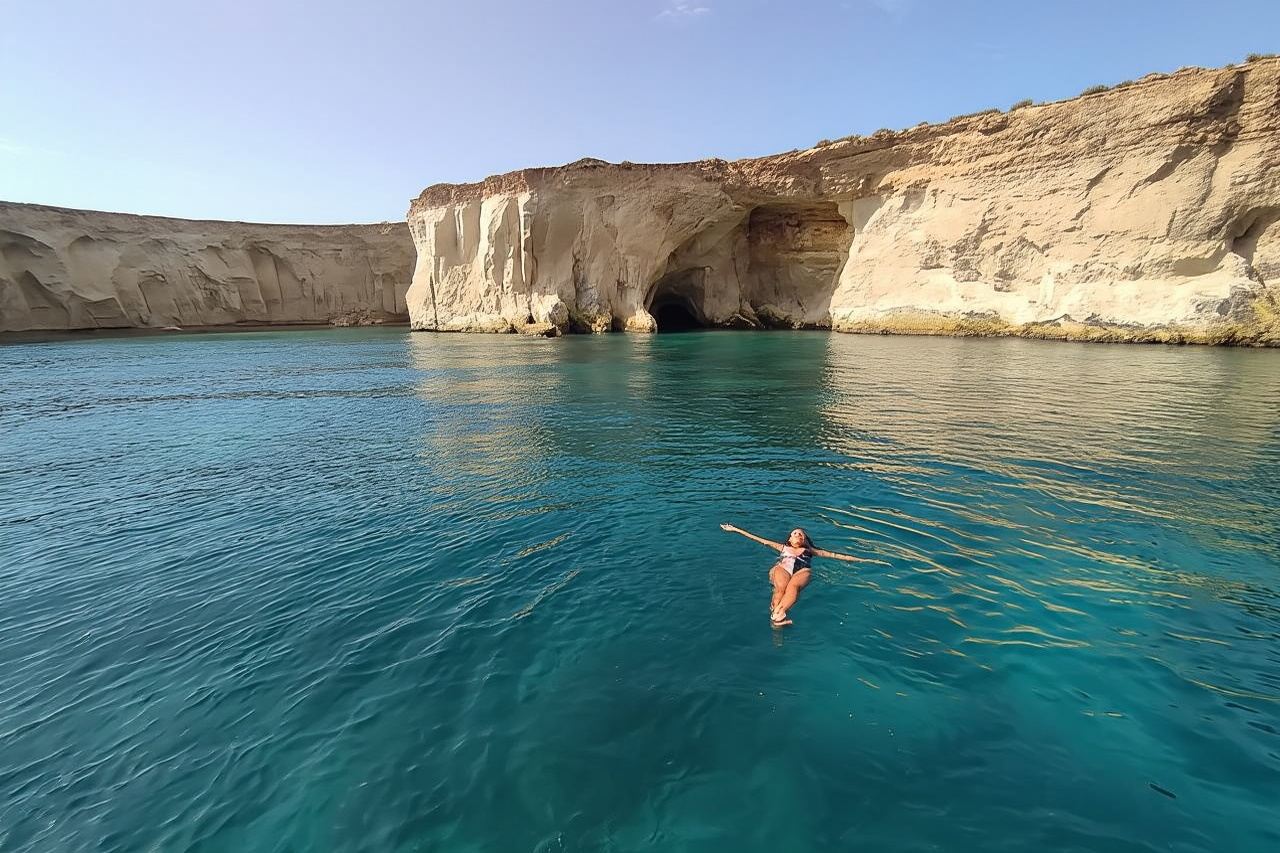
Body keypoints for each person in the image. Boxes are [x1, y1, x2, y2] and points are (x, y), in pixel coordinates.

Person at [720, 523, 861, 626]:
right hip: (784, 568)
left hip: (802, 570)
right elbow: (758, 539)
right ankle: (777, 615)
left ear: (805, 540)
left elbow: (835, 555)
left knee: (793, 587)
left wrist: (862, 559)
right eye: (795, 533)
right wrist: (735, 529)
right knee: (781, 588)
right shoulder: (783, 547)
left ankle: (779, 613)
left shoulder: (811, 551)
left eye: (801, 534)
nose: (798, 535)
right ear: (789, 539)